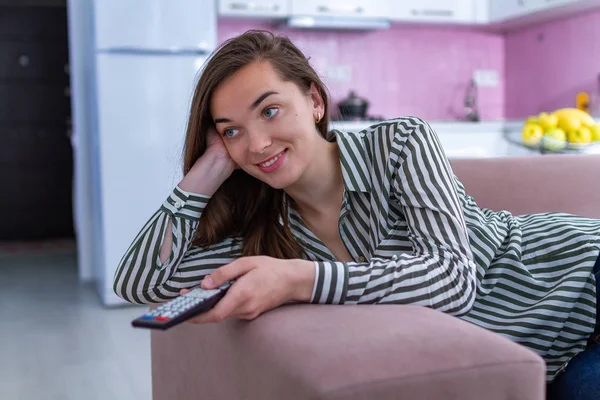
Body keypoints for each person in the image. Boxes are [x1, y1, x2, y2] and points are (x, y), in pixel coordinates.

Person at [113, 30, 600, 398]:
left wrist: (301, 280)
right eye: (232, 130)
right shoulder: (266, 231)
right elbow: (139, 283)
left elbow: (453, 277)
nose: (258, 144)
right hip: (547, 355)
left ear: (315, 101)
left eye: (269, 111)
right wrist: (205, 174)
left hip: (582, 273)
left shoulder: (399, 142)